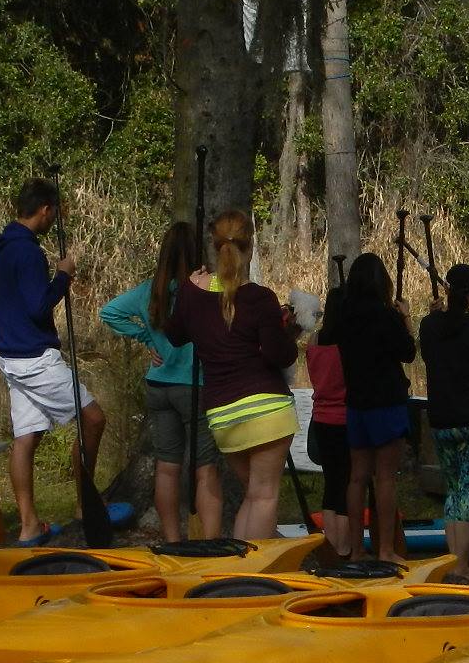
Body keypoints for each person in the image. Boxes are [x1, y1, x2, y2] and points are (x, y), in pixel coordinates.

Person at [166, 209, 300, 545]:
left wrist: (187, 290)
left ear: (214, 247)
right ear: (250, 245)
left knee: (251, 497)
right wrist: (291, 331)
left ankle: (237, 573)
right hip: (266, 408)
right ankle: (254, 577)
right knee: (264, 496)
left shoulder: (193, 292)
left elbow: (175, 335)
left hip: (222, 414)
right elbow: (278, 354)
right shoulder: (259, 297)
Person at [0, 178, 106, 541]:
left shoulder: (4, 248)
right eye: (54, 212)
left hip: (10, 356)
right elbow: (38, 306)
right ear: (45, 210)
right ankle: (84, 505)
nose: (54, 219)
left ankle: (27, 526)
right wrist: (62, 276)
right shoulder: (28, 252)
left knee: (27, 437)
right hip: (35, 357)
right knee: (93, 418)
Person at [100, 221, 223, 541]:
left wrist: (147, 339)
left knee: (166, 467)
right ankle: (209, 542)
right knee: (205, 467)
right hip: (193, 385)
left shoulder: (149, 289)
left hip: (158, 385)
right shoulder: (207, 286)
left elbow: (109, 312)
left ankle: (172, 541)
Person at [317, 253, 417, 565]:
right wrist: (406, 319)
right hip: (386, 401)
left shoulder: (345, 316)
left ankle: (357, 551)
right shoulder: (386, 316)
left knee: (357, 477)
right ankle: (386, 550)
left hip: (356, 404)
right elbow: (408, 353)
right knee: (385, 478)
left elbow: (326, 336)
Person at [418, 263, 469, 581]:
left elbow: (427, 356)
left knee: (454, 490)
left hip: (442, 419)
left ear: (447, 291)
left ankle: (454, 560)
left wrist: (432, 314)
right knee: (467, 492)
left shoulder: (428, 325)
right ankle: (461, 566)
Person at [304, 288, 355, 562]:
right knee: (345, 482)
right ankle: (345, 547)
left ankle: (331, 544)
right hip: (345, 419)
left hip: (320, 418)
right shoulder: (349, 344)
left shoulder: (315, 339)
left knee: (331, 482)